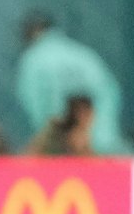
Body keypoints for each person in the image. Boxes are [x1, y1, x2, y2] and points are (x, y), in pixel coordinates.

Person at [15, 12, 123, 153]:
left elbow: (32, 102)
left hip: (59, 148)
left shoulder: (33, 60)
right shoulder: (83, 54)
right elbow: (110, 92)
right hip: (102, 143)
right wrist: (103, 134)